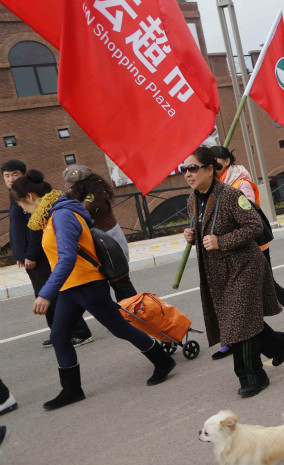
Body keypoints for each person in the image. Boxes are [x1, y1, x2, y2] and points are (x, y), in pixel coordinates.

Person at [11, 170, 176, 410]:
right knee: (59, 337)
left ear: (30, 197)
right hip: (71, 287)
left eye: (20, 204)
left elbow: (67, 258)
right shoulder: (51, 215)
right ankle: (72, 389)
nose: (22, 210)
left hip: (87, 284)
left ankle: (162, 361)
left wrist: (46, 292)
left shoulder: (62, 215)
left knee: (119, 328)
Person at [182, 147, 284, 398]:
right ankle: (277, 343)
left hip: (244, 266)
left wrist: (222, 241)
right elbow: (204, 232)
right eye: (184, 170)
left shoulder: (230, 195)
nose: (188, 174)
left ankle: (252, 376)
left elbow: (254, 226)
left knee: (240, 324)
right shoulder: (192, 199)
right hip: (218, 272)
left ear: (210, 170)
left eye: (193, 168)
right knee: (239, 319)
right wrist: (191, 236)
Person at [208, 150, 284, 361]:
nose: (212, 166)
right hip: (226, 250)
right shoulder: (213, 186)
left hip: (252, 247)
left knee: (267, 287)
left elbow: (248, 220)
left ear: (226, 161)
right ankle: (230, 340)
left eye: (215, 161)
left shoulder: (241, 184)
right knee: (229, 295)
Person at [2, 160, 93, 348]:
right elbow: (16, 230)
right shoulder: (15, 197)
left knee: (54, 293)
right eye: (6, 176)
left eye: (14, 174)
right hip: (27, 257)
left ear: (24, 174)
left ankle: (80, 332)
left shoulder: (30, 195)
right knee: (42, 293)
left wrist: (31, 255)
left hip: (38, 256)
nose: (10, 179)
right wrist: (19, 253)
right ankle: (57, 332)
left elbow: (36, 229)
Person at [62, 165, 137, 301]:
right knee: (105, 286)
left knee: (120, 282)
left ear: (83, 184)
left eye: (73, 186)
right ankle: (123, 313)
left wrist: (64, 201)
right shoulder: (83, 193)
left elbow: (82, 211)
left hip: (110, 241)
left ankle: (136, 311)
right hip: (98, 242)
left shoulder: (95, 194)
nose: (70, 189)